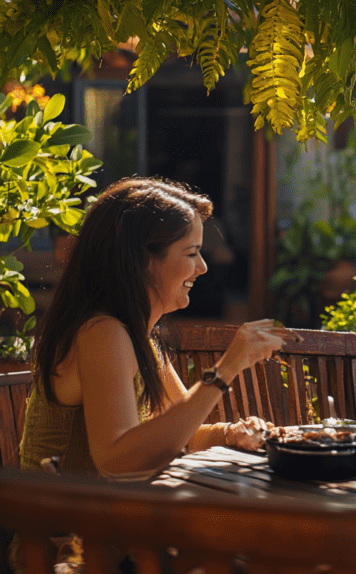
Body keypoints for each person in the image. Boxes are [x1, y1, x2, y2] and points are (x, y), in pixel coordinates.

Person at [18, 177, 298, 479]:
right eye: (191, 253)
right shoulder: (101, 333)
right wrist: (225, 369)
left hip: (103, 517)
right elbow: (115, 460)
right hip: (65, 524)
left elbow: (185, 435)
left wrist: (230, 434)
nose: (202, 267)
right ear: (143, 260)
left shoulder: (138, 337)